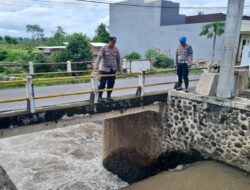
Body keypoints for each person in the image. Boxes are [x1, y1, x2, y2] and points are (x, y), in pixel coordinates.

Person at [93, 36, 121, 102]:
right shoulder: (104, 48)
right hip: (104, 69)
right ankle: (100, 97)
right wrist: (95, 66)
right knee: (102, 83)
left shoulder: (116, 49)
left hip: (113, 69)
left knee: (111, 83)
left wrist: (120, 70)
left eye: (114, 43)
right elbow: (99, 57)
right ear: (109, 41)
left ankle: (109, 96)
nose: (113, 44)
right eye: (112, 42)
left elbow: (118, 60)